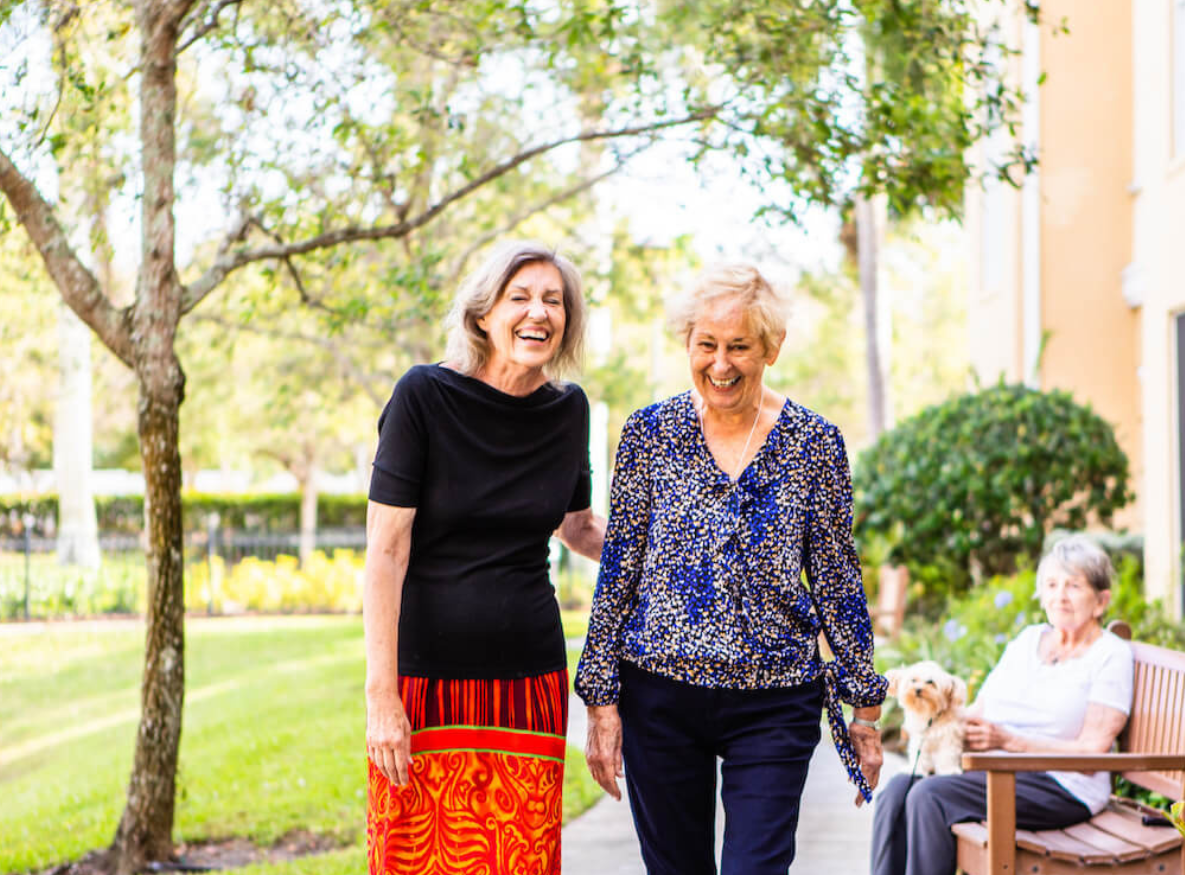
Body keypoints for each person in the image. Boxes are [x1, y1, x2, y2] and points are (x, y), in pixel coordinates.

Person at [575, 263, 887, 875]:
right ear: (687, 344)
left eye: (739, 346)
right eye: (707, 345)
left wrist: (865, 711)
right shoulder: (648, 434)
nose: (721, 364)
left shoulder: (813, 444)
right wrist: (601, 699)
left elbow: (836, 580)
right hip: (660, 695)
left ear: (771, 347)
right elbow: (619, 573)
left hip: (773, 701)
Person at [362, 241, 605, 875]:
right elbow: (386, 552)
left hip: (529, 685)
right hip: (423, 684)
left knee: (519, 861)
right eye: (520, 297)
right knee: (414, 860)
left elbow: (577, 526)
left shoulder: (567, 409)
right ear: (482, 314)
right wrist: (381, 696)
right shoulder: (423, 396)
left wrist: (674, 554)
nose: (539, 313)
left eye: (553, 300)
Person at [870, 535, 1136, 875]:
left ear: (1101, 601)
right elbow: (980, 710)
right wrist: (931, 712)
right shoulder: (1028, 640)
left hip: (1062, 786)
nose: (1060, 596)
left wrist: (1008, 742)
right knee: (898, 790)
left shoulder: (1110, 654)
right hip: (1000, 771)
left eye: (1073, 586)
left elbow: (1093, 751)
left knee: (930, 796)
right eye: (1052, 584)